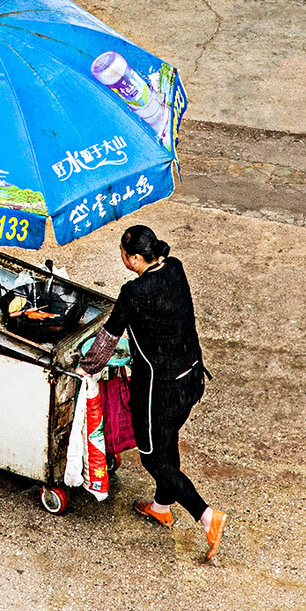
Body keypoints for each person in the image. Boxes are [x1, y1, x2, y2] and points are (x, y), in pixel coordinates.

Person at [77, 224, 229, 560]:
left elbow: (108, 339)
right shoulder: (174, 268)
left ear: (133, 257)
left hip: (160, 388)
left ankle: (207, 517)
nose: (122, 257)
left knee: (153, 457)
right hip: (191, 379)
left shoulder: (134, 292)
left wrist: (84, 368)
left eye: (123, 252)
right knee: (167, 440)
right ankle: (161, 506)